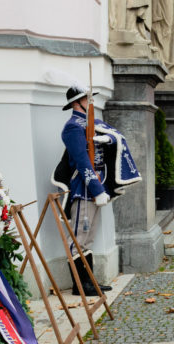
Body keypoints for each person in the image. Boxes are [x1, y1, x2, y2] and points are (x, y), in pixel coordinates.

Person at [53, 82, 141, 296]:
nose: (91, 102)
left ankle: (89, 282)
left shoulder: (92, 122)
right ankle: (80, 286)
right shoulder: (73, 126)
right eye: (87, 99)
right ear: (77, 103)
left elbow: (117, 135)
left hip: (96, 187)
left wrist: (108, 139)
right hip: (84, 190)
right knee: (78, 239)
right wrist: (96, 189)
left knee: (88, 237)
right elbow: (82, 161)